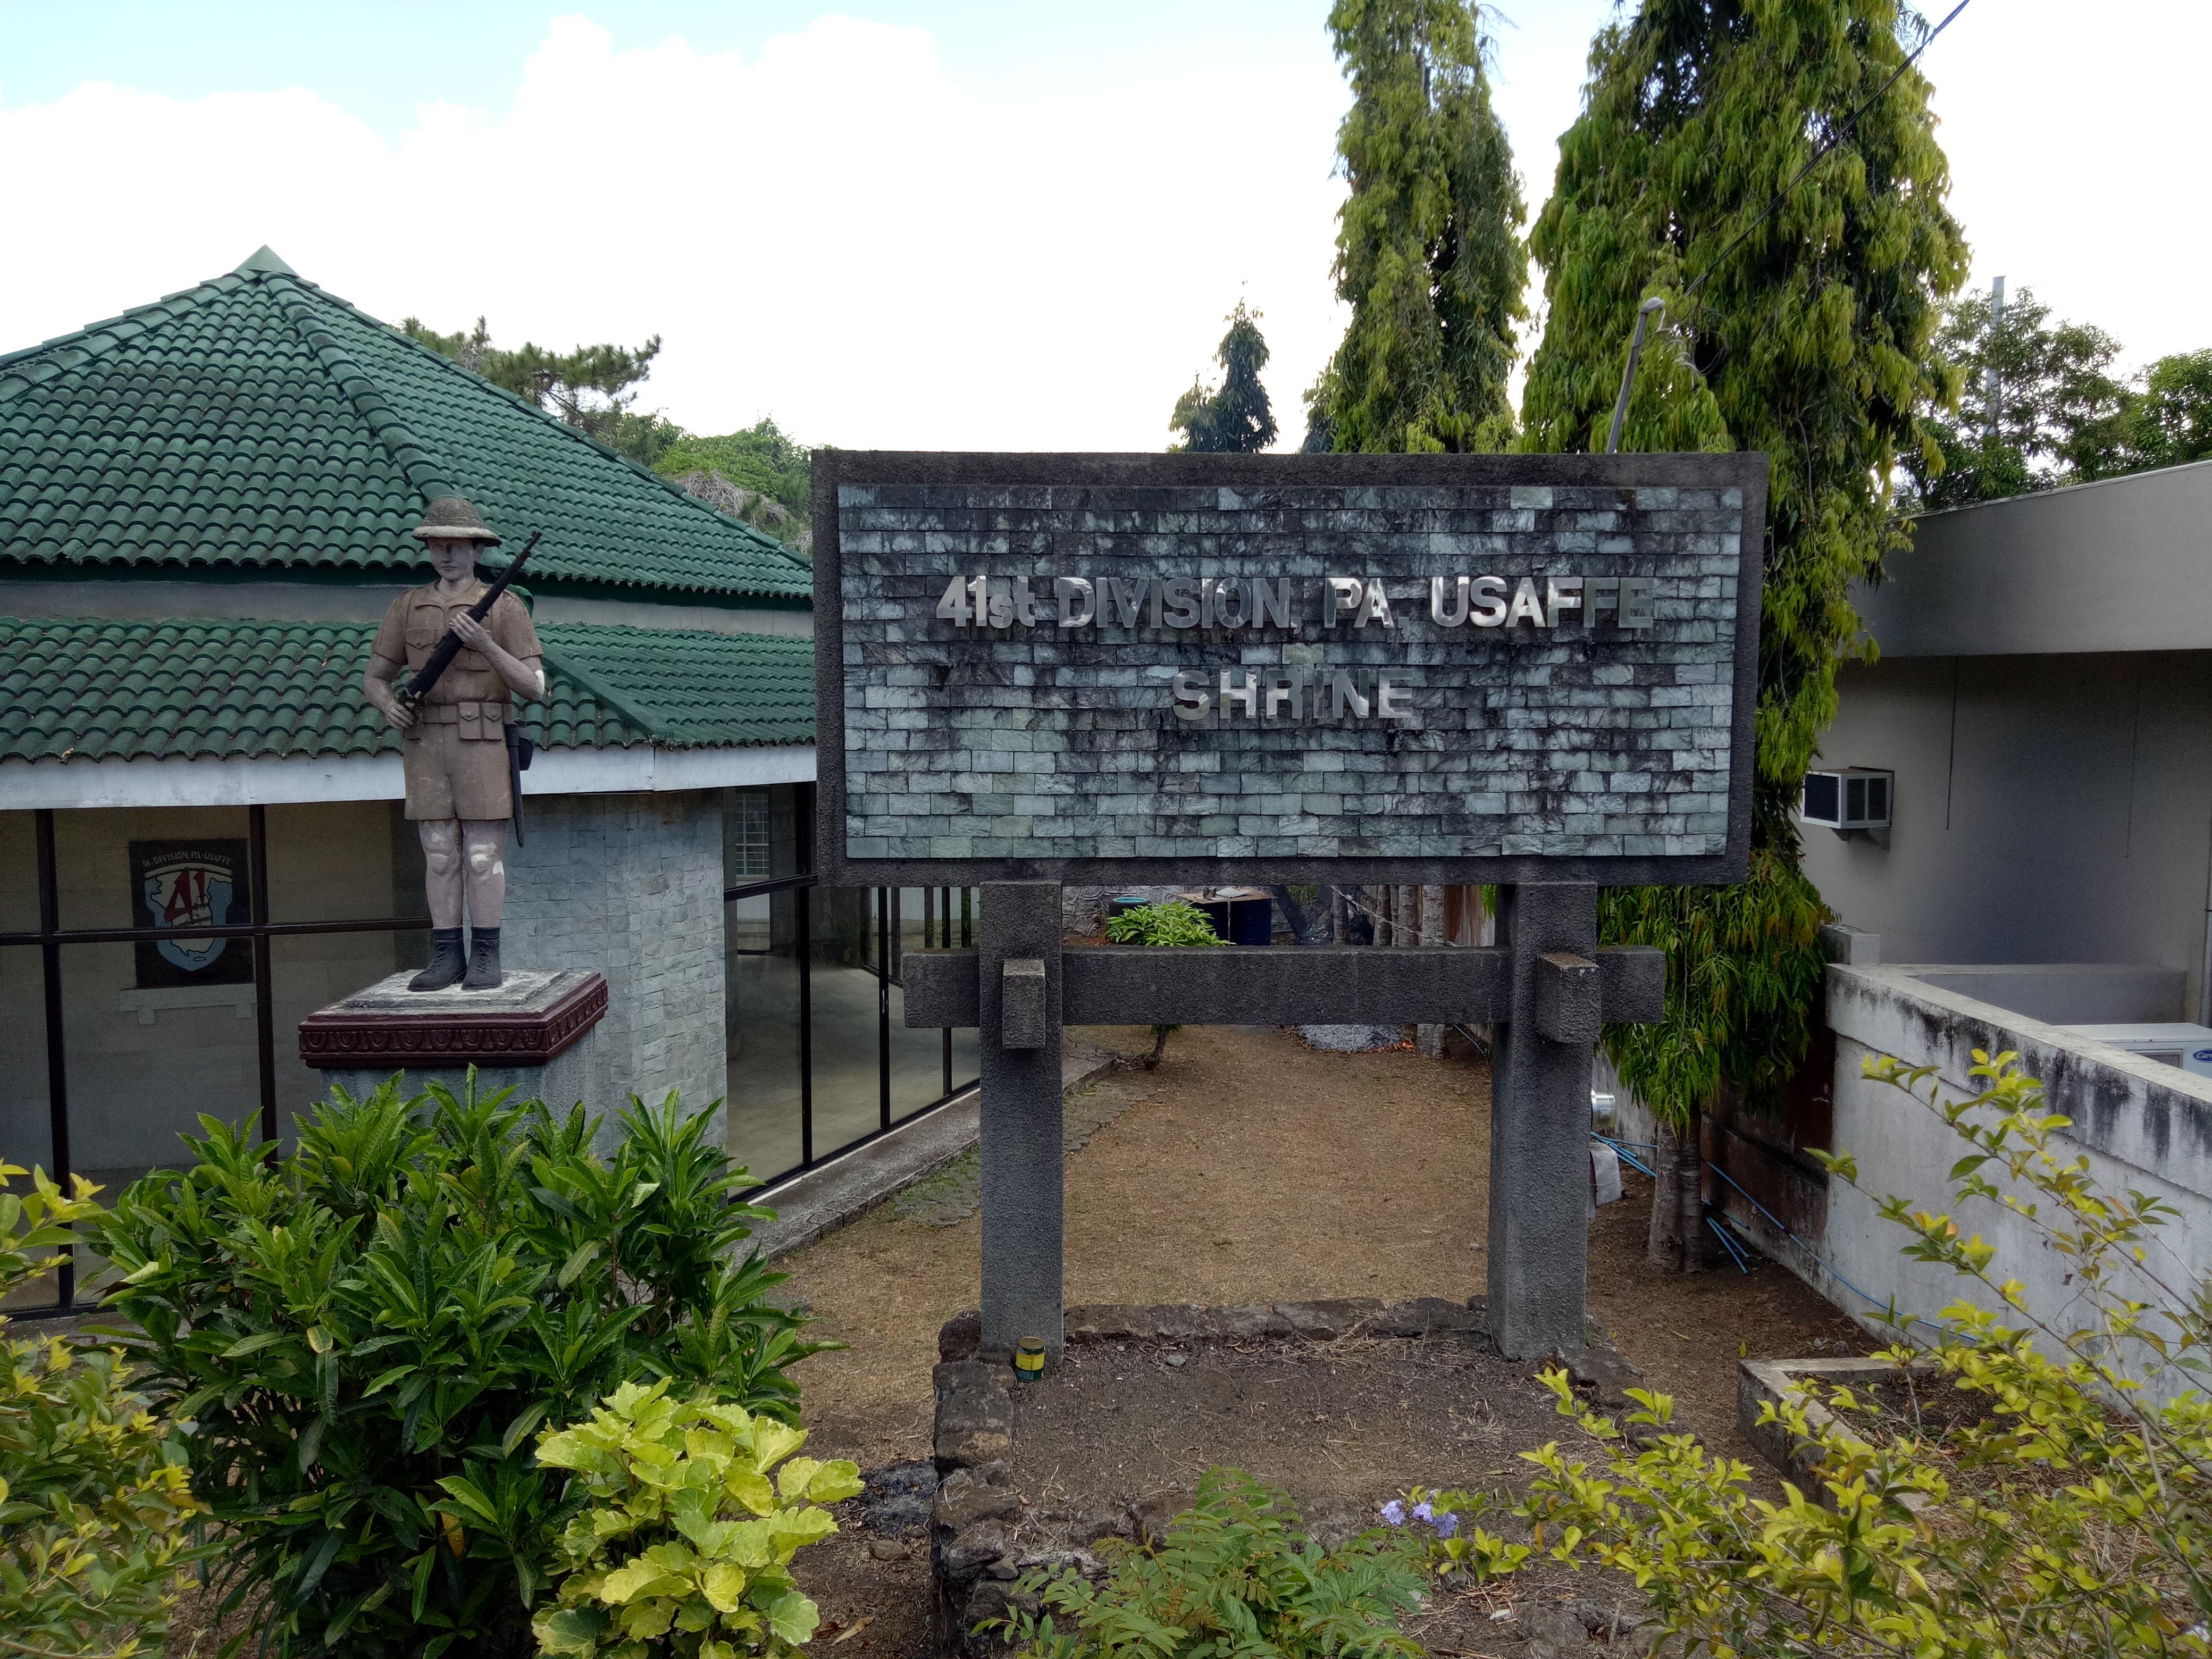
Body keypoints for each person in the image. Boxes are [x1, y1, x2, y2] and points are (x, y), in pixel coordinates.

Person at [362, 496, 544, 991]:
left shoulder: (504, 606)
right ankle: (447, 954)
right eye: (438, 546)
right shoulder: (408, 606)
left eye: (457, 546)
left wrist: (485, 643)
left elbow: (533, 686)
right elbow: (376, 677)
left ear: (477, 551)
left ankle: (486, 953)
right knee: (439, 852)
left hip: (482, 738)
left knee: (482, 855)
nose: (447, 555)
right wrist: (387, 706)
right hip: (426, 740)